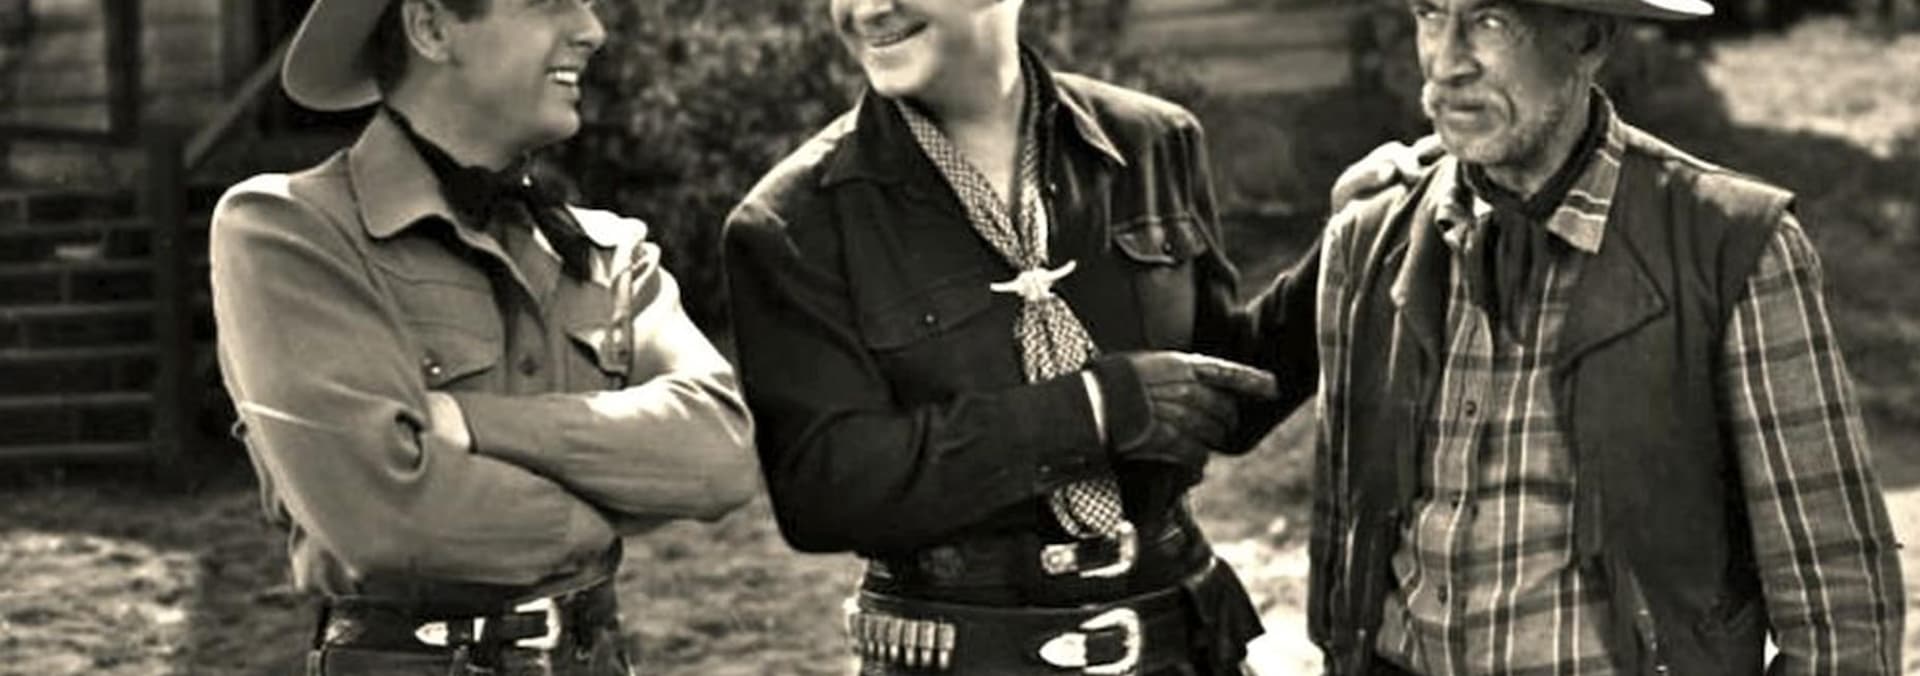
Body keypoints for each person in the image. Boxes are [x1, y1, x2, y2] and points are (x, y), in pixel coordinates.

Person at [718, 0, 1355, 672]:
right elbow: (824, 493)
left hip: (1181, 647)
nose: (867, 9)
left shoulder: (1152, 142)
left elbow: (1220, 401)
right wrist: (1094, 410)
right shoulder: (791, 225)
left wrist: (1346, 253)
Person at [1308, 0, 1905, 673]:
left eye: (1490, 21)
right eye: (1430, 13)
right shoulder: (1366, 240)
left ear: (1588, 39)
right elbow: (1341, 549)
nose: (1446, 63)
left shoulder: (1730, 246)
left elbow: (1836, 605)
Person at [208, 0, 758, 673]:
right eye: (550, 3)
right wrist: (607, 512)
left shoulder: (608, 252)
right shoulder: (290, 229)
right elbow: (385, 520)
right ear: (432, 27)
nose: (592, 31)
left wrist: (468, 424)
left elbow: (721, 456)